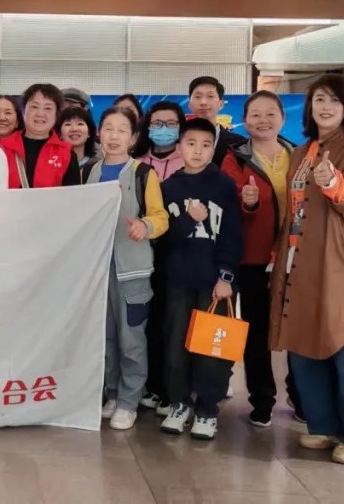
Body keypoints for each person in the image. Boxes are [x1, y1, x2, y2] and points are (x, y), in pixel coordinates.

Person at [268, 74, 344, 465]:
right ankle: (324, 424)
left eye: (335, 100)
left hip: (337, 264)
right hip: (298, 260)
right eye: (319, 99)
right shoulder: (301, 151)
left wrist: (332, 181)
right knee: (304, 347)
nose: (326, 107)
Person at [158, 117, 243, 441]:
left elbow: (232, 236)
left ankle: (208, 411)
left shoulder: (223, 186)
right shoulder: (168, 188)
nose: (198, 151)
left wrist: (226, 276)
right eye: (191, 144)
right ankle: (179, 404)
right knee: (175, 345)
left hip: (214, 282)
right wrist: (187, 221)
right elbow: (162, 239)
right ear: (179, 147)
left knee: (212, 349)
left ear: (213, 149)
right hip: (178, 280)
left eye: (206, 145)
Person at [221, 90, 301, 428]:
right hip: (253, 259)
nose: (263, 120)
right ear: (245, 120)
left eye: (270, 113)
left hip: (296, 258)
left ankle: (302, 397)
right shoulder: (235, 159)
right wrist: (248, 203)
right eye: (255, 114)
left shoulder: (301, 156)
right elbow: (227, 211)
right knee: (256, 333)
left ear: (283, 118)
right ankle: (262, 400)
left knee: (298, 331)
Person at [86, 108, 168, 431]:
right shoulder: (89, 171)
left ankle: (130, 401)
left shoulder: (143, 173)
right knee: (105, 337)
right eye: (108, 128)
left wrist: (145, 226)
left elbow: (161, 216)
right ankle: (113, 393)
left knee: (131, 339)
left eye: (122, 130)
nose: (114, 136)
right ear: (99, 133)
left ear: (133, 138)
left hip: (131, 271)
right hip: (97, 271)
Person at [132, 100, 186, 416]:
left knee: (173, 321)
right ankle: (150, 385)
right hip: (143, 250)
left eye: (171, 124)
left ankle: (172, 389)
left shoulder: (189, 159)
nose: (163, 129)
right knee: (148, 321)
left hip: (179, 251)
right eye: (157, 123)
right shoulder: (137, 163)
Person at [0, 84, 80, 188]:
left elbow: (72, 195)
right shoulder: (2, 148)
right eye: (34, 107)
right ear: (23, 111)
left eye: (48, 108)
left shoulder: (66, 154)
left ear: (56, 115)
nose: (40, 114)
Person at [187, 76, 245, 167]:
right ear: (189, 105)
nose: (203, 102)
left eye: (210, 96)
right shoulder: (178, 141)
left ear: (221, 104)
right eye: (198, 96)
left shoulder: (239, 143)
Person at [59, 107, 101, 178]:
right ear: (59, 134)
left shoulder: (98, 166)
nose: (74, 129)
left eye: (80, 124)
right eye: (68, 124)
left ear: (89, 133)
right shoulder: (51, 164)